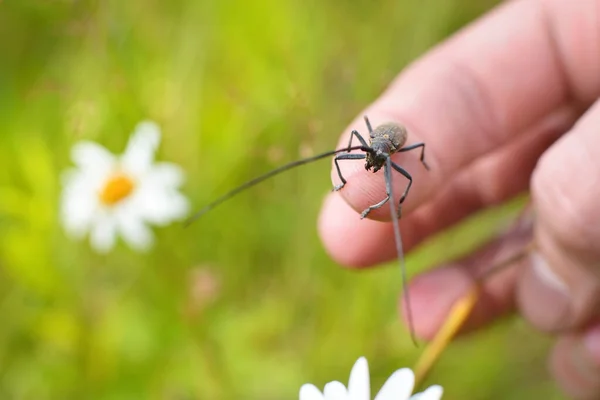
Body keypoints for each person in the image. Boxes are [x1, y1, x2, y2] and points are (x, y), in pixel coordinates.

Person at [317, 1, 600, 399]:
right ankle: (351, 190)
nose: (372, 162)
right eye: (371, 159)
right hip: (382, 135)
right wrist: (346, 179)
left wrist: (396, 196)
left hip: (394, 135)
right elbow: (364, 149)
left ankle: (382, 203)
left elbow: (404, 162)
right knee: (358, 182)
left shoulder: (397, 152)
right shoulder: (367, 147)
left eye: (375, 159)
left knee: (398, 184)